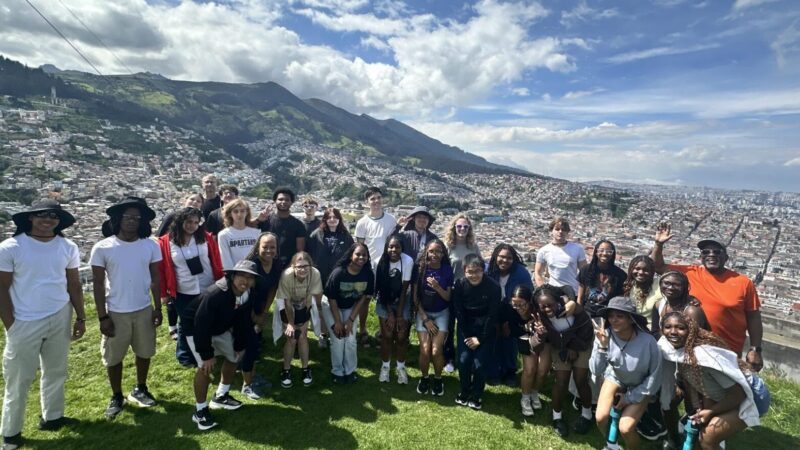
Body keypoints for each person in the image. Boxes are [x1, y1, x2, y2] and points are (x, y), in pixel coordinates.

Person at [0, 200, 86, 449]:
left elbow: (74, 285)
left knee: (56, 370)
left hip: (60, 313)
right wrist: (11, 324)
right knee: (18, 379)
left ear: (60, 221)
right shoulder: (11, 247)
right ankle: (11, 432)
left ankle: (52, 416)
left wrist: (80, 317)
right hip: (24, 320)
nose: (48, 220)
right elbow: (2, 288)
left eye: (53, 216)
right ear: (30, 218)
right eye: (41, 215)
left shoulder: (67, 246)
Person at [650, 223, 763, 370]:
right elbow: (657, 267)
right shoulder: (690, 273)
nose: (711, 255)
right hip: (691, 349)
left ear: (726, 257)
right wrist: (658, 244)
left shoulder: (743, 282)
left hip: (727, 351)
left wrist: (755, 349)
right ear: (701, 257)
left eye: (717, 252)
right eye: (706, 252)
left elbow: (754, 318)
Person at [90, 197, 162, 419]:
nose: (132, 221)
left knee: (144, 351)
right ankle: (117, 394)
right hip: (116, 310)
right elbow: (98, 285)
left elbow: (156, 278)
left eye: (137, 218)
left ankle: (141, 387)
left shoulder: (150, 245)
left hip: (143, 308)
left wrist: (157, 308)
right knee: (114, 357)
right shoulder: (103, 247)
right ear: (118, 219)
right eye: (128, 217)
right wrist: (103, 317)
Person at [658, 312, 760, 450]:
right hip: (723, 396)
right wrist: (700, 407)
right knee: (704, 434)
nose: (673, 332)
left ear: (691, 330)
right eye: (668, 327)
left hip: (751, 397)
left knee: (707, 439)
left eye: (680, 328)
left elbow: (739, 394)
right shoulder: (677, 351)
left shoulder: (705, 357)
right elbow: (697, 383)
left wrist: (711, 411)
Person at [181, 260, 259, 431]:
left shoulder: (247, 293)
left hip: (220, 327)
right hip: (195, 329)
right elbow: (201, 323)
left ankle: (221, 396)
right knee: (205, 368)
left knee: (234, 356)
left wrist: (240, 343)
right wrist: (207, 354)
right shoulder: (216, 293)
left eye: (250, 277)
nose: (245, 281)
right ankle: (200, 411)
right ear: (232, 276)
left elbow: (243, 320)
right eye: (241, 276)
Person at [591, 297, 662, 450]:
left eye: (620, 316)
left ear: (631, 319)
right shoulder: (604, 335)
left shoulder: (648, 342)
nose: (614, 320)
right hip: (616, 377)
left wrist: (629, 397)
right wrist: (602, 348)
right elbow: (596, 370)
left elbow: (654, 378)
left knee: (626, 428)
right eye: (611, 316)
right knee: (600, 418)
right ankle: (612, 444)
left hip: (641, 384)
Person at [158, 207, 224, 367]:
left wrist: (221, 280)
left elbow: (215, 258)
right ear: (180, 221)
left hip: (207, 286)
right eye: (189, 222)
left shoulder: (205, 238)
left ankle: (208, 351)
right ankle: (185, 355)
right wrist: (164, 292)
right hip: (183, 289)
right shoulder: (166, 242)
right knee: (186, 323)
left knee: (206, 319)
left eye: (196, 222)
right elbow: (162, 269)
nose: (192, 226)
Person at [532, 285, 594, 437]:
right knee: (561, 382)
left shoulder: (573, 308)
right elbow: (536, 345)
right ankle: (557, 416)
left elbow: (587, 330)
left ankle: (587, 414)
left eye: (550, 305)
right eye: (543, 306)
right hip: (560, 348)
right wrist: (540, 335)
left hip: (581, 345)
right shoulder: (540, 317)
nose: (547, 309)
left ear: (558, 301)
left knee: (581, 380)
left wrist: (573, 347)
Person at [452, 254, 501, 411]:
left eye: (478, 271)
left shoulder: (493, 287)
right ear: (464, 270)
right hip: (466, 327)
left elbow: (493, 315)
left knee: (479, 365)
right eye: (470, 272)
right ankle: (465, 390)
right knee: (464, 361)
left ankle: (477, 393)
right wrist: (468, 336)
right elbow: (459, 312)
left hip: (486, 329)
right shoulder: (459, 285)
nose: (474, 275)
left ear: (483, 270)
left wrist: (480, 338)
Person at [321, 243, 375, 383]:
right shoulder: (339, 272)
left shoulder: (368, 274)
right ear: (351, 255)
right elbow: (331, 299)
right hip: (332, 305)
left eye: (364, 255)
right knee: (338, 337)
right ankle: (337, 371)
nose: (361, 257)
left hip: (351, 307)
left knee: (350, 339)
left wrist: (350, 320)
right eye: (358, 254)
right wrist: (338, 322)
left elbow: (363, 297)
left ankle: (350, 370)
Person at [157, 193, 205, 341]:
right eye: (192, 199)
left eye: (198, 201)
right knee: (176, 305)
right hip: (175, 260)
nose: (194, 202)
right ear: (184, 201)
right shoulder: (172, 217)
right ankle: (174, 329)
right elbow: (159, 236)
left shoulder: (201, 228)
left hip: (198, 278)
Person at [239, 232, 281, 399]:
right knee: (249, 346)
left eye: (272, 247)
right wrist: (254, 317)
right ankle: (246, 386)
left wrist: (264, 313)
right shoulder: (251, 265)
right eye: (265, 247)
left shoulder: (277, 264)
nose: (269, 250)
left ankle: (251, 377)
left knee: (255, 345)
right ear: (258, 247)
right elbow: (242, 293)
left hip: (260, 307)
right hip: (243, 308)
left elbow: (272, 288)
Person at [485, 243, 534, 386]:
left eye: (508, 258)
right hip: (492, 309)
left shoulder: (521, 272)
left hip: (514, 311)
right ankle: (493, 372)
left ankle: (509, 372)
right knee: (493, 338)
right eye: (501, 257)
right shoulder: (489, 270)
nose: (504, 261)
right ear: (495, 257)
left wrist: (508, 321)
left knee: (509, 339)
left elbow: (526, 296)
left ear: (514, 259)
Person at [273, 252, 323, 388]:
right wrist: (290, 323)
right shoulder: (286, 275)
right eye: (299, 266)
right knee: (291, 338)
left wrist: (316, 313)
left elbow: (311, 297)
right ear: (293, 267)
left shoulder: (315, 274)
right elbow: (286, 302)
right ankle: (286, 370)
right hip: (286, 303)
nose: (302, 269)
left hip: (304, 301)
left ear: (310, 265)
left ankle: (306, 369)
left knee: (302, 336)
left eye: (305, 266)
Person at [354, 187, 396, 347]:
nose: (376, 201)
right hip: (368, 267)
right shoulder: (362, 223)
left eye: (378, 197)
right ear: (367, 202)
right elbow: (359, 247)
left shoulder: (391, 220)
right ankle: (363, 330)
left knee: (384, 299)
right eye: (372, 199)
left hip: (385, 266)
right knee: (364, 300)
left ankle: (381, 331)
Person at [307, 207, 354, 348]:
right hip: (320, 276)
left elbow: (351, 256)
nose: (332, 219)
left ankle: (338, 330)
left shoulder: (346, 236)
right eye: (329, 217)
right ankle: (323, 334)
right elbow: (309, 254)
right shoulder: (317, 234)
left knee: (337, 305)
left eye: (335, 217)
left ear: (339, 219)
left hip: (339, 278)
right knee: (321, 306)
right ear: (325, 220)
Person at [414, 239, 454, 397]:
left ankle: (438, 378)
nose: (435, 254)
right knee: (424, 350)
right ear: (426, 253)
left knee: (436, 351)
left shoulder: (446, 270)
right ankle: (424, 378)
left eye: (438, 251)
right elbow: (415, 298)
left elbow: (448, 297)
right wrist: (425, 319)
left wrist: (437, 287)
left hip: (441, 312)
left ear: (443, 253)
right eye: (431, 251)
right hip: (423, 312)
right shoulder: (420, 269)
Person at [443, 214, 481, 373]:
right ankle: (449, 357)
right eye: (459, 226)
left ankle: (467, 357)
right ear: (454, 228)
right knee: (450, 325)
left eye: (466, 227)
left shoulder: (473, 246)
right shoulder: (447, 246)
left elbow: (480, 266)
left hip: (469, 291)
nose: (462, 229)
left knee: (467, 325)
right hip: (451, 290)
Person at [375, 236, 413, 384]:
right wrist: (390, 313)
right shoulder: (380, 262)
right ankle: (385, 367)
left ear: (402, 248)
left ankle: (401, 368)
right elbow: (381, 290)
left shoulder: (407, 261)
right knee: (387, 335)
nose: (393, 250)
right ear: (386, 248)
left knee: (402, 336)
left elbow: (404, 289)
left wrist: (399, 316)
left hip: (403, 300)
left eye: (397, 247)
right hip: (385, 301)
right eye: (390, 247)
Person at [508, 285, 548, 417]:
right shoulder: (512, 310)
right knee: (530, 369)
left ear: (529, 301)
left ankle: (534, 392)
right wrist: (525, 327)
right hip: (525, 338)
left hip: (544, 339)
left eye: (522, 304)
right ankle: (525, 398)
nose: (518, 308)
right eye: (515, 304)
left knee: (542, 370)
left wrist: (540, 328)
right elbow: (513, 331)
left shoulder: (539, 308)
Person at [534, 217, 587, 298]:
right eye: (557, 229)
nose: (560, 232)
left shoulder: (578, 249)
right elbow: (538, 273)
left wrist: (581, 296)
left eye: (564, 229)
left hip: (574, 292)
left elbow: (584, 273)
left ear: (567, 232)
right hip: (553, 294)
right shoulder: (544, 251)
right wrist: (543, 291)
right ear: (551, 231)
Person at [257, 187, 306, 270]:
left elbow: (300, 250)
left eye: (287, 200)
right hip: (265, 265)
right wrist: (258, 219)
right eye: (280, 199)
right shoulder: (265, 221)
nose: (283, 202)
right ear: (275, 201)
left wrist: (289, 267)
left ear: (291, 202)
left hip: (288, 267)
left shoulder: (298, 225)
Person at [651, 271, 709, 338]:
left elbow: (695, 339)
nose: (670, 287)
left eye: (677, 285)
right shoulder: (658, 305)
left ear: (684, 287)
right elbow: (655, 332)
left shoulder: (692, 311)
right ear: (660, 284)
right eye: (666, 283)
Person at [577, 240, 627, 318]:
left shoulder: (620, 274)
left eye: (609, 251)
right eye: (601, 250)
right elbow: (580, 297)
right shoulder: (586, 270)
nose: (604, 253)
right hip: (587, 314)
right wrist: (579, 315)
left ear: (613, 254)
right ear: (596, 252)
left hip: (609, 316)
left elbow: (620, 299)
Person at [216, 198, 260, 270]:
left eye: (242, 211)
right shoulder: (223, 235)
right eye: (235, 211)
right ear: (230, 213)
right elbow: (226, 259)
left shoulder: (256, 233)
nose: (239, 214)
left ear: (247, 212)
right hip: (235, 274)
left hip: (254, 273)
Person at [622, 255, 661, 330]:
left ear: (652, 271)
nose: (641, 272)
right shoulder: (628, 286)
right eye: (637, 269)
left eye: (646, 270)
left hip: (652, 331)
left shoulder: (659, 285)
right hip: (630, 330)